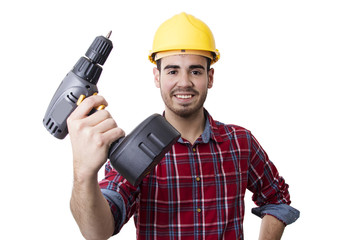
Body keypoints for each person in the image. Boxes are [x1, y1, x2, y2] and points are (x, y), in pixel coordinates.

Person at [68, 12, 300, 240]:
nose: (184, 82)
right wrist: (84, 175)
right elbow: (96, 232)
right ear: (157, 77)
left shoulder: (241, 142)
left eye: (195, 71)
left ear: (210, 77)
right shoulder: (136, 152)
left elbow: (276, 198)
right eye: (172, 70)